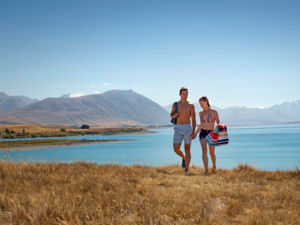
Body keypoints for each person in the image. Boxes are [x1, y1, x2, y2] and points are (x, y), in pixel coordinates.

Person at [170, 87, 196, 174]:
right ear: (180, 94)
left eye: (186, 93)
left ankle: (187, 169)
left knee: (187, 150)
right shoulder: (175, 104)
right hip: (178, 128)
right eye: (183, 93)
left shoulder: (191, 106)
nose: (185, 95)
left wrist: (193, 132)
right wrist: (174, 115)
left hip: (187, 129)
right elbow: (171, 115)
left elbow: (194, 120)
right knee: (176, 149)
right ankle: (184, 158)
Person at [193, 96, 220, 175]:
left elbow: (218, 122)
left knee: (212, 153)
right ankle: (206, 171)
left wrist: (220, 130)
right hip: (203, 133)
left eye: (201, 103)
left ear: (206, 102)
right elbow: (201, 124)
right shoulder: (200, 113)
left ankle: (214, 166)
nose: (200, 105)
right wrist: (195, 133)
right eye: (199, 103)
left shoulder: (214, 112)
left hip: (211, 133)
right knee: (204, 151)